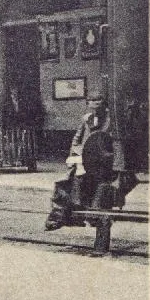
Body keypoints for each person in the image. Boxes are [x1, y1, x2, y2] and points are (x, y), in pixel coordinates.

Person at [45, 93, 113, 230]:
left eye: (98, 100)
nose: (95, 103)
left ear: (104, 103)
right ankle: (61, 217)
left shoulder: (111, 120)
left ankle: (81, 214)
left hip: (102, 162)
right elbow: (77, 139)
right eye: (91, 101)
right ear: (87, 104)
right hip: (83, 158)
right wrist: (74, 157)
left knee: (83, 180)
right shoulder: (86, 119)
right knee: (64, 182)